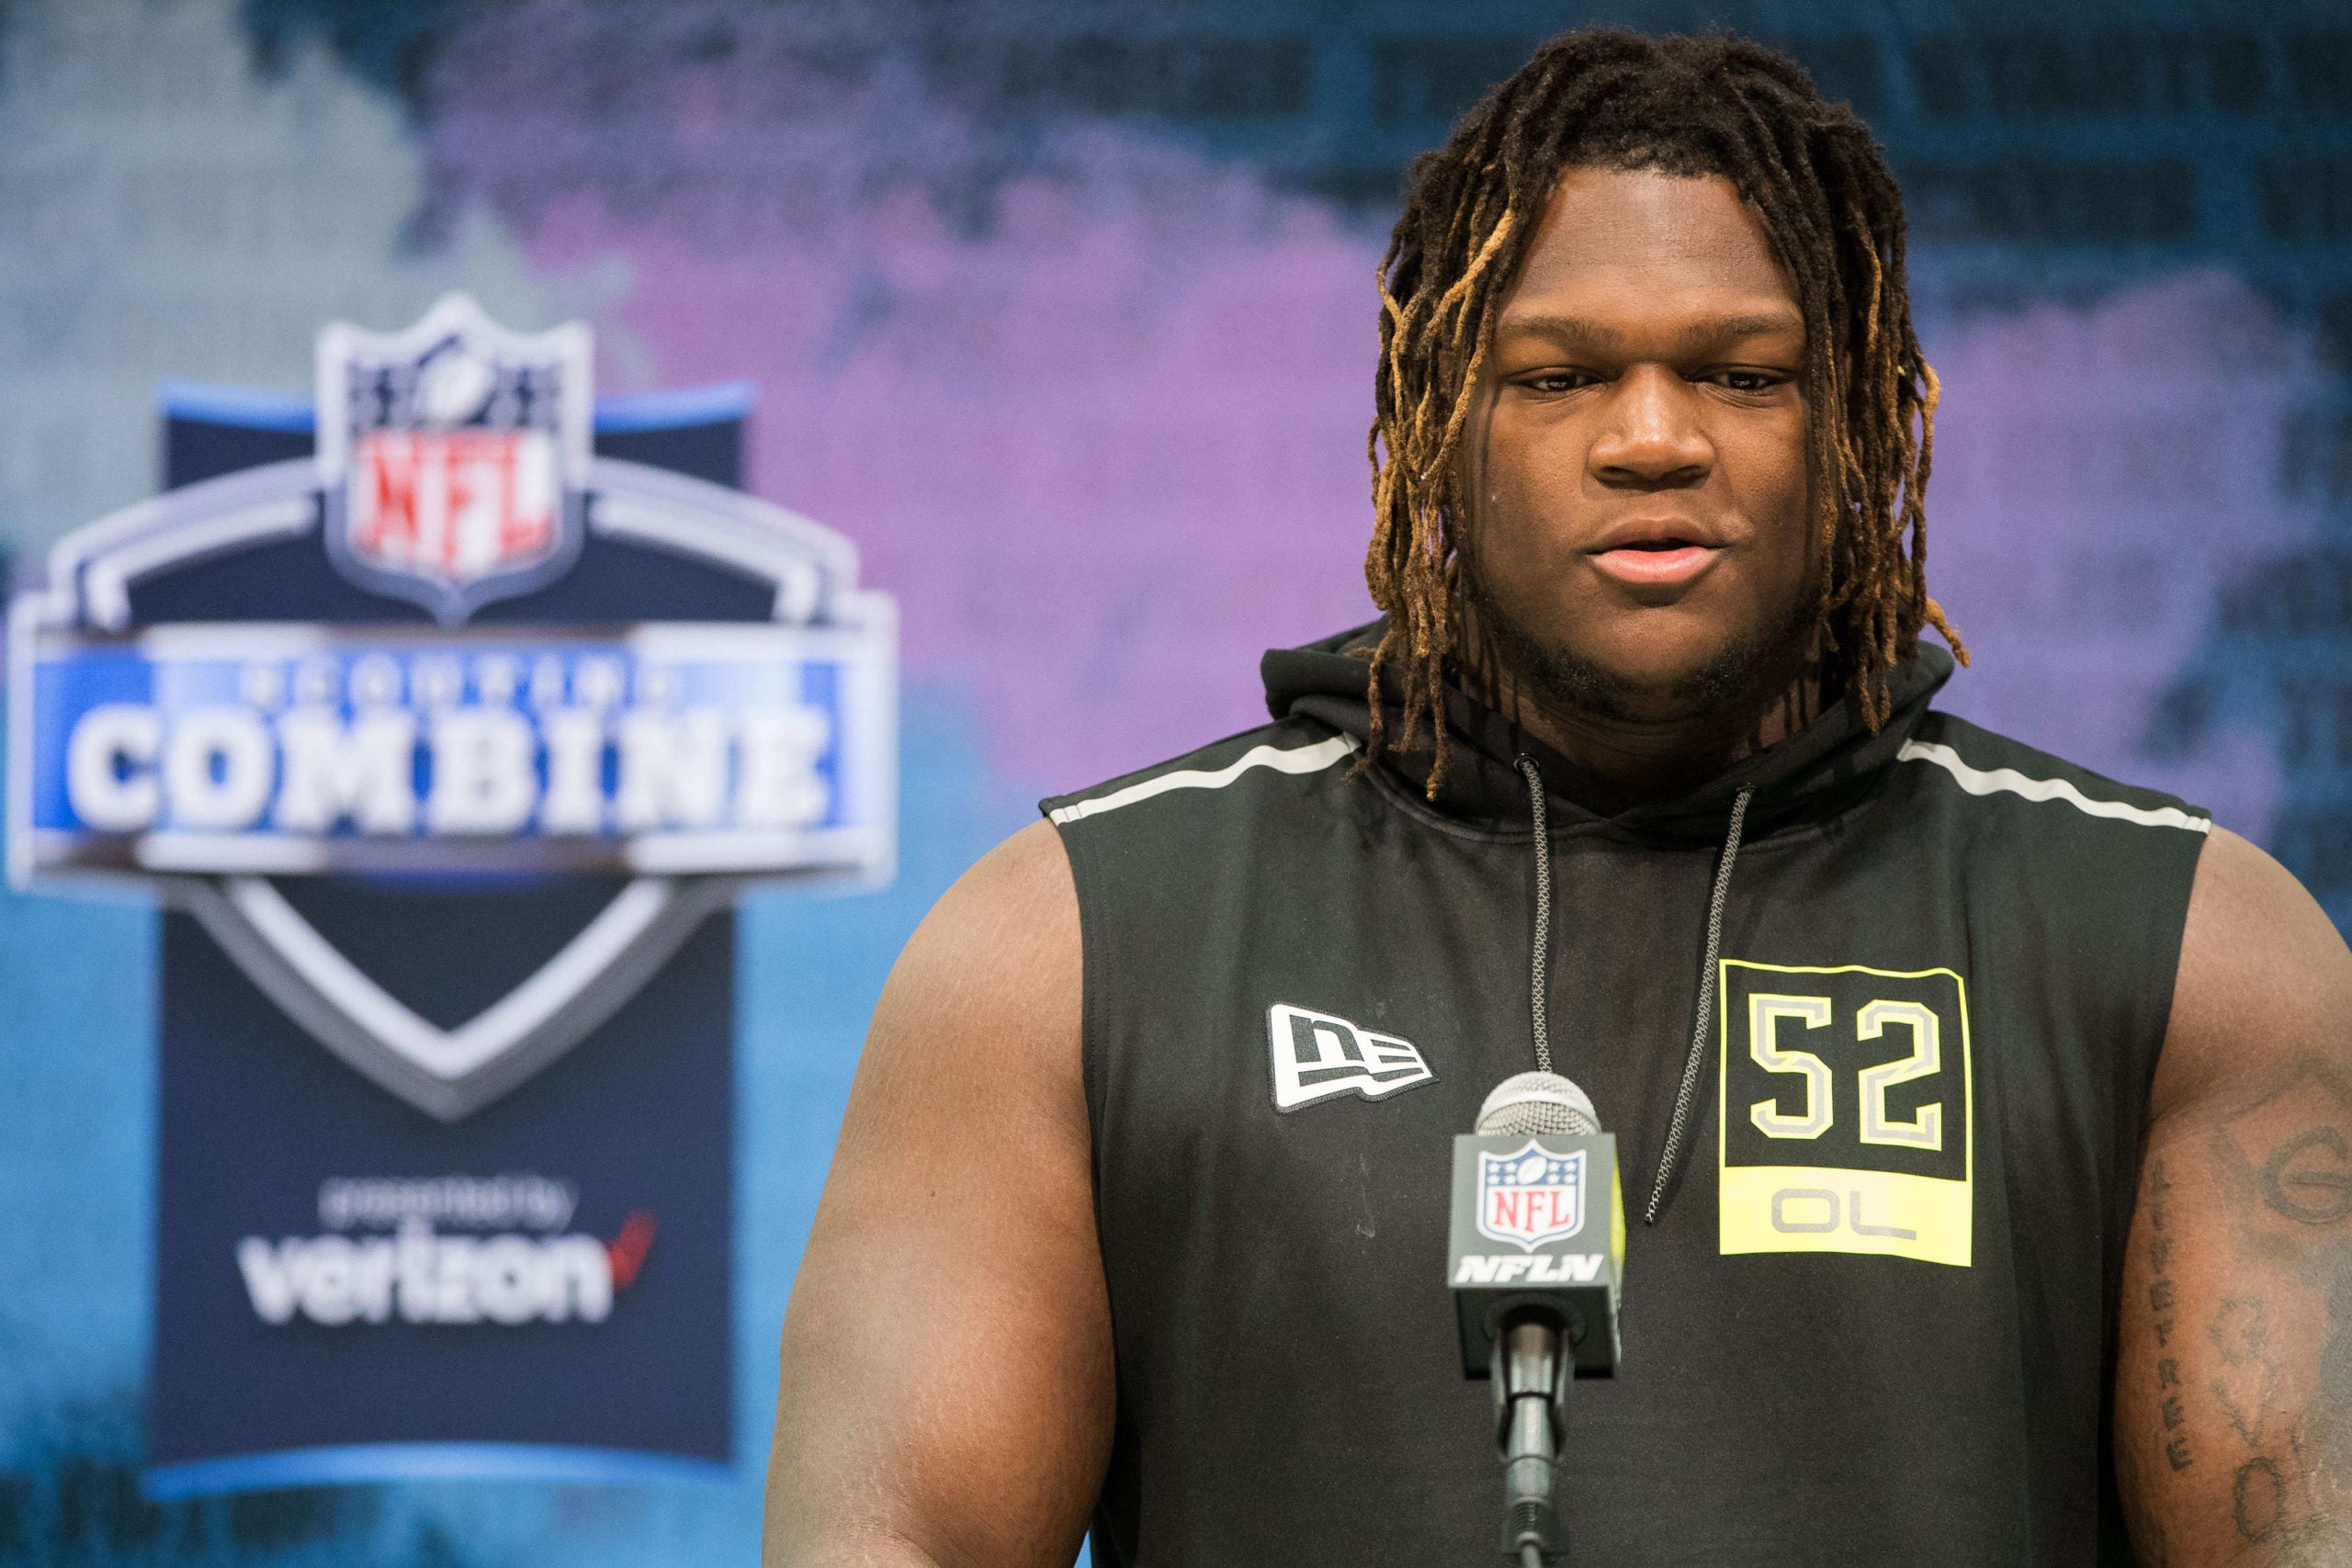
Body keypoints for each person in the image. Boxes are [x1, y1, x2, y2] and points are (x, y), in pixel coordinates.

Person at [763, 28, 2352, 1567]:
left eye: (1741, 374)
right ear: (1435, 431)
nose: (1651, 437)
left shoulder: (2183, 947)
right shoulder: (1079, 941)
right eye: (1558, 376)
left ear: (1861, 420)